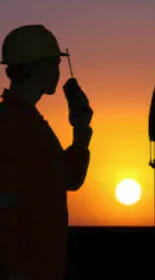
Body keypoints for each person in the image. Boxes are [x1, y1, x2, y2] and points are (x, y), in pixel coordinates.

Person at [0, 24, 93, 280]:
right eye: (53, 63)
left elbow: (69, 179)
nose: (58, 71)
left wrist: (81, 130)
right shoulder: (12, 126)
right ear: (35, 66)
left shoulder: (29, 122)